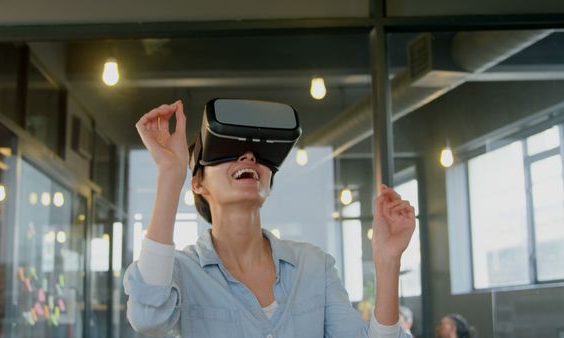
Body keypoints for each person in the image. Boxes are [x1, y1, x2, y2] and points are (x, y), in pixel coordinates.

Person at [123, 100, 417, 337]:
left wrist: (387, 262)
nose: (249, 156)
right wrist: (171, 174)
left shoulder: (314, 266)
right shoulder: (182, 274)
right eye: (228, 150)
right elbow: (148, 317)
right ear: (198, 182)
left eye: (259, 153)